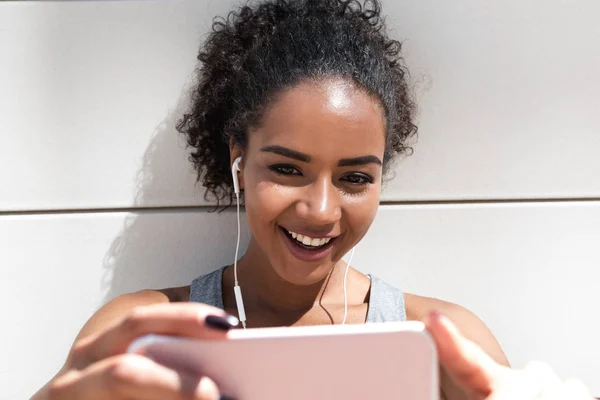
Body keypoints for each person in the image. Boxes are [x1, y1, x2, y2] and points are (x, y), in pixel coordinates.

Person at [32, 1, 593, 399]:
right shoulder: (146, 331)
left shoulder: (442, 344)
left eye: (354, 179)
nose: (321, 211)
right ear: (238, 163)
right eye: (287, 169)